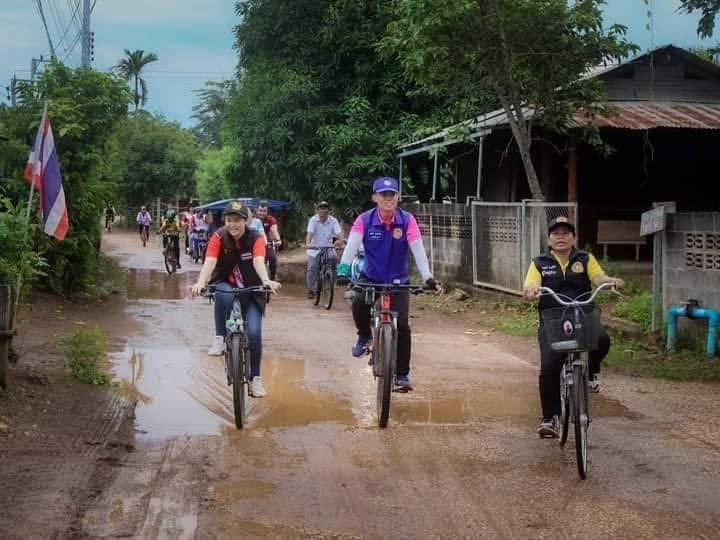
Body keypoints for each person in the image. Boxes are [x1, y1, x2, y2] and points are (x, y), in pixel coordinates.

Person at [523, 216, 625, 438]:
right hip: (552, 320)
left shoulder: (585, 259)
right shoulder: (539, 262)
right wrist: (530, 290)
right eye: (556, 233)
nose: (561, 237)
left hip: (582, 317)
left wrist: (610, 281)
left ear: (573, 237)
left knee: (602, 340)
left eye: (566, 233)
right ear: (549, 239)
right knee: (550, 367)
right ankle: (549, 418)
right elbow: (531, 283)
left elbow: (598, 277)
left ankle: (591, 374)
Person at [336, 177, 439, 391]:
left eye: (392, 194)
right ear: (375, 197)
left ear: (398, 197)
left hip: (398, 281)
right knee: (358, 301)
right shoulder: (364, 220)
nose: (388, 199)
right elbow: (352, 244)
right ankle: (364, 335)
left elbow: (417, 249)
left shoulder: (407, 220)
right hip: (370, 278)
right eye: (383, 195)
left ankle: (402, 375)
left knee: (402, 326)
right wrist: (343, 269)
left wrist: (427, 276)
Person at [190, 200, 281, 398]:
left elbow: (258, 260)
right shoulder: (218, 237)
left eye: (237, 220)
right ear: (225, 221)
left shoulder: (256, 238)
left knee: (255, 333)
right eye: (229, 220)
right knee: (222, 294)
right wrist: (200, 282)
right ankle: (220, 337)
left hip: (252, 288)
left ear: (246, 221)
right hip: (226, 283)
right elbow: (210, 261)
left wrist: (266, 280)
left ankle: (255, 378)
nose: (233, 224)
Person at [305, 201, 344, 299]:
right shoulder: (313, 220)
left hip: (328, 247)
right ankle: (311, 290)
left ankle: (331, 283)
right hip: (315, 248)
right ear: (318, 210)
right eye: (321, 208)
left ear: (328, 210)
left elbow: (339, 233)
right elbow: (310, 233)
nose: (323, 210)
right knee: (312, 267)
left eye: (325, 208)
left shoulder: (333, 220)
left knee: (334, 259)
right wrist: (308, 244)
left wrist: (341, 242)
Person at [255, 200, 281, 280]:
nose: (262, 213)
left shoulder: (270, 219)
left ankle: (272, 278)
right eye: (260, 211)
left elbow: (274, 230)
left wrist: (278, 239)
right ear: (256, 210)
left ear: (267, 211)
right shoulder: (253, 219)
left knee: (272, 258)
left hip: (267, 243)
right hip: (254, 244)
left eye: (264, 211)